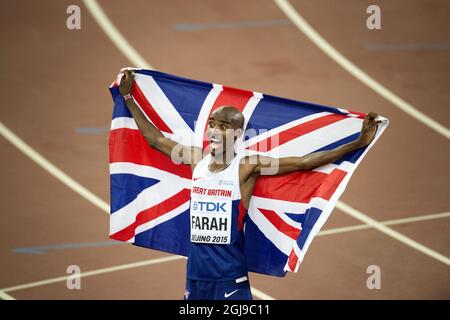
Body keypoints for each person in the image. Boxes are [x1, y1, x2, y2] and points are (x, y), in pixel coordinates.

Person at [118, 69, 380, 300]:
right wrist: (128, 98)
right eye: (212, 124)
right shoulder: (195, 159)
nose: (214, 130)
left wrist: (356, 143)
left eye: (223, 126)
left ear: (236, 133)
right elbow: (155, 140)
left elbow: (303, 162)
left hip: (229, 278)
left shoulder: (247, 166)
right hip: (195, 275)